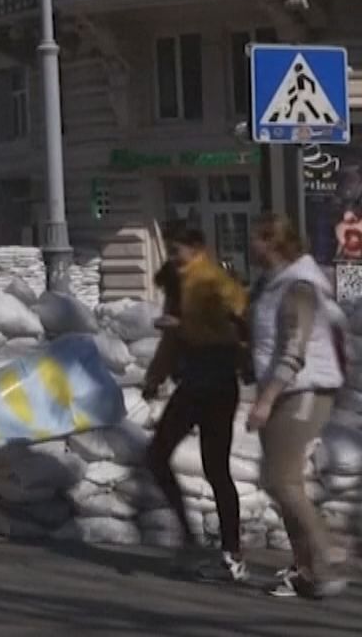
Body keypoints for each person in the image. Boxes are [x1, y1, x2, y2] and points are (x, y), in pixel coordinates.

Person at [247, 213, 351, 600]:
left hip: (304, 390)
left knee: (282, 480)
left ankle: (328, 553)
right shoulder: (270, 286)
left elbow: (295, 349)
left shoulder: (299, 287)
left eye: (255, 239)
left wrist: (266, 400)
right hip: (282, 390)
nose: (249, 246)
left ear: (273, 242)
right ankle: (308, 572)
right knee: (276, 480)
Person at [141, 227, 249, 583]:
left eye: (178, 250)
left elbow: (239, 324)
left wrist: (182, 324)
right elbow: (171, 342)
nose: (173, 257)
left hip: (215, 379)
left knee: (214, 467)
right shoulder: (179, 282)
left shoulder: (214, 281)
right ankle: (195, 539)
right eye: (170, 251)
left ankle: (229, 552)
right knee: (159, 455)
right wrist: (155, 378)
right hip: (194, 380)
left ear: (197, 248)